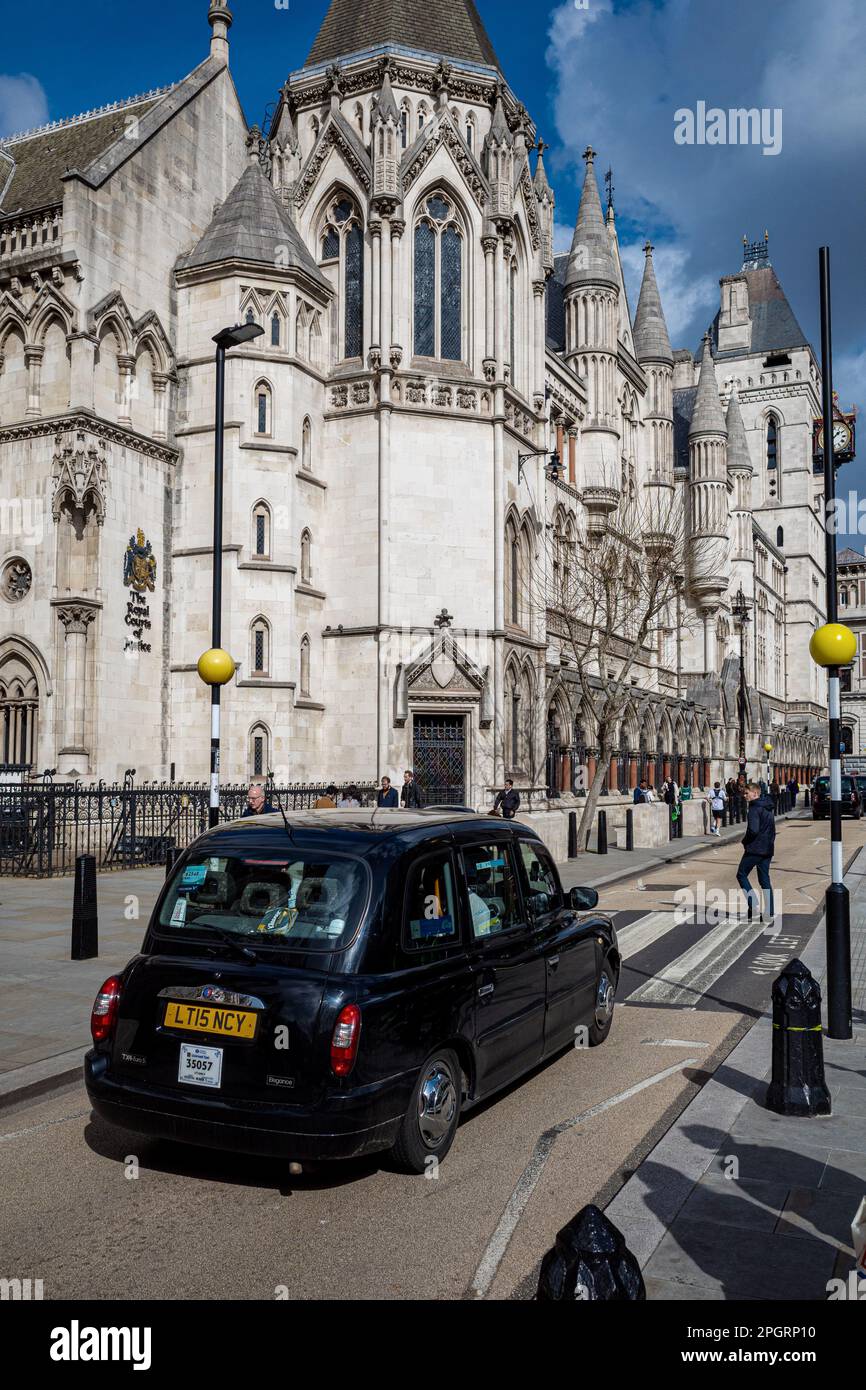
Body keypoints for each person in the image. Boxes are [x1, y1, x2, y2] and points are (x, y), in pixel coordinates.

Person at [736, 781, 776, 923]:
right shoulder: (768, 807)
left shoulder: (754, 809)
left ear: (755, 793)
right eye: (744, 793)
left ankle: (753, 904)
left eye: (747, 793)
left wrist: (745, 841)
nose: (744, 795)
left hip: (755, 848)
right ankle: (769, 912)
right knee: (764, 880)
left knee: (741, 874)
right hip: (767, 849)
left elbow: (753, 829)